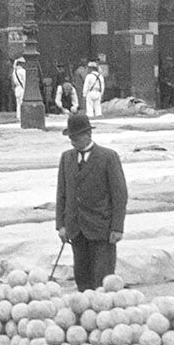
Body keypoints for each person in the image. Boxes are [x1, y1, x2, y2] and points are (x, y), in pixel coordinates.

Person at [54, 108, 128, 291]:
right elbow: (61, 193)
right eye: (70, 139)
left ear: (88, 135)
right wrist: (61, 225)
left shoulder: (108, 157)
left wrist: (117, 227)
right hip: (76, 229)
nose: (73, 142)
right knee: (82, 278)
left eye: (76, 138)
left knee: (102, 280)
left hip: (101, 229)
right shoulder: (66, 158)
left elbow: (120, 195)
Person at [11, 54, 27, 124]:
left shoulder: (14, 72)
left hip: (17, 88)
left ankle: (18, 116)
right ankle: (23, 116)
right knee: (23, 102)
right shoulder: (22, 71)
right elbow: (25, 81)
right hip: (22, 88)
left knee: (18, 103)